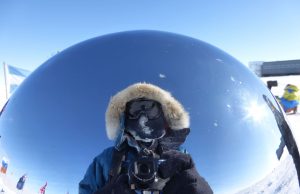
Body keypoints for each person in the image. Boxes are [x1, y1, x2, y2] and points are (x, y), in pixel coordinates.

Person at [79, 82, 213, 194]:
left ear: (164, 114)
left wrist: (195, 186)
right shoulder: (107, 159)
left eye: (151, 108)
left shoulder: (179, 156)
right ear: (123, 118)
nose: (143, 118)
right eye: (135, 109)